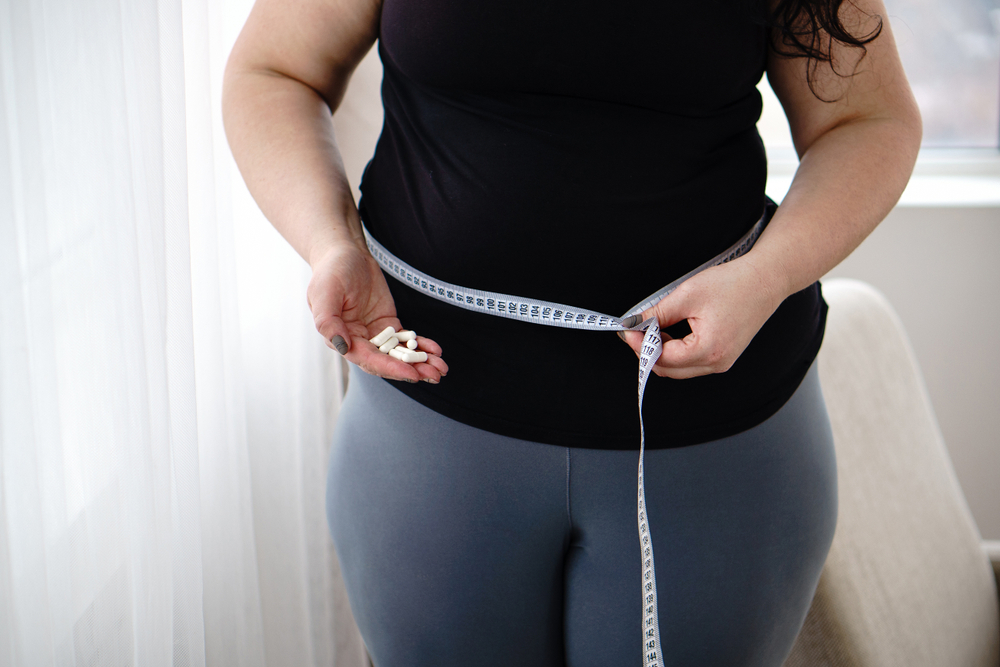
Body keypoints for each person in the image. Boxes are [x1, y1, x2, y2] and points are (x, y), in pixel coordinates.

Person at [222, 0, 921, 664]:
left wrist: (766, 276)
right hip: (429, 413)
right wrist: (330, 243)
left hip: (716, 435)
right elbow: (276, 70)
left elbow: (869, 120)